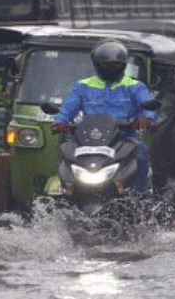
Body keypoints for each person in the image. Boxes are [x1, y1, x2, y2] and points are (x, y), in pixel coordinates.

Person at [52, 40, 156, 193]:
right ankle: (66, 192)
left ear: (124, 65)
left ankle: (140, 196)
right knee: (65, 150)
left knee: (141, 152)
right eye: (105, 65)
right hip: (88, 139)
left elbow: (147, 104)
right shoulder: (83, 86)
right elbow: (68, 108)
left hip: (124, 138)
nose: (111, 69)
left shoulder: (135, 86)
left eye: (116, 65)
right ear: (96, 65)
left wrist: (147, 119)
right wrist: (60, 122)